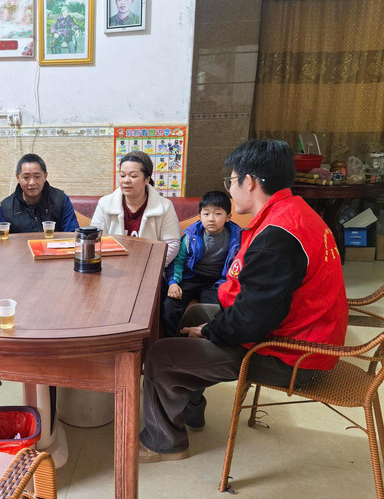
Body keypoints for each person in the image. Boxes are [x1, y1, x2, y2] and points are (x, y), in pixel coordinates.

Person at [138, 139, 348, 463]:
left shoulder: (278, 236)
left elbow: (251, 321)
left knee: (160, 355)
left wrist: (209, 331)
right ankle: (189, 405)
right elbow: (258, 306)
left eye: (231, 181)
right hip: (298, 330)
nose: (231, 189)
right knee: (193, 315)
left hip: (292, 354)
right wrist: (207, 326)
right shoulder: (294, 212)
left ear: (248, 182)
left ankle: (163, 443)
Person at [163, 190, 242, 337]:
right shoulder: (190, 236)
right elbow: (178, 261)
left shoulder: (237, 239)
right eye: (206, 214)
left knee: (214, 310)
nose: (211, 219)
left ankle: (203, 341)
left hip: (216, 282)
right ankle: (174, 340)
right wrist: (173, 282)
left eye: (217, 213)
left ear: (228, 217)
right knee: (170, 306)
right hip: (190, 278)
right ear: (200, 216)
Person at [90, 151, 181, 268]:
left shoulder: (165, 206)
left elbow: (172, 244)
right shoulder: (105, 204)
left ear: (147, 179)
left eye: (133, 176)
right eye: (122, 175)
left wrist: (152, 267)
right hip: (113, 269)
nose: (126, 180)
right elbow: (94, 239)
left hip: (151, 268)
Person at [0, 153, 79, 234]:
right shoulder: (6, 207)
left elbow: (72, 235)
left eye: (37, 176)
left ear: (45, 176)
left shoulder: (60, 200)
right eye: (26, 177)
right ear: (18, 177)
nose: (32, 182)